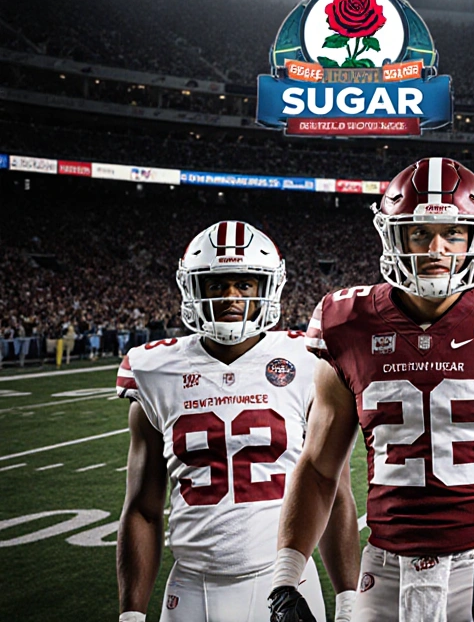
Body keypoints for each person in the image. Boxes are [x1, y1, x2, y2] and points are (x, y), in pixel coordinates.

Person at [269, 158, 474, 622]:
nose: (436, 248)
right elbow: (317, 468)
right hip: (384, 568)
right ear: (394, 236)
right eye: (419, 233)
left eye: (453, 233)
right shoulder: (346, 322)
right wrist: (284, 579)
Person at [116, 221, 360, 622]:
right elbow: (142, 508)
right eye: (217, 284)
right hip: (191, 586)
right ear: (193, 288)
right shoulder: (155, 369)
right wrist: (130, 615)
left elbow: (333, 493)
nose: (231, 296)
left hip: (287, 579)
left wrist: (349, 599)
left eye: (244, 284)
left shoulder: (308, 359)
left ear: (268, 287)